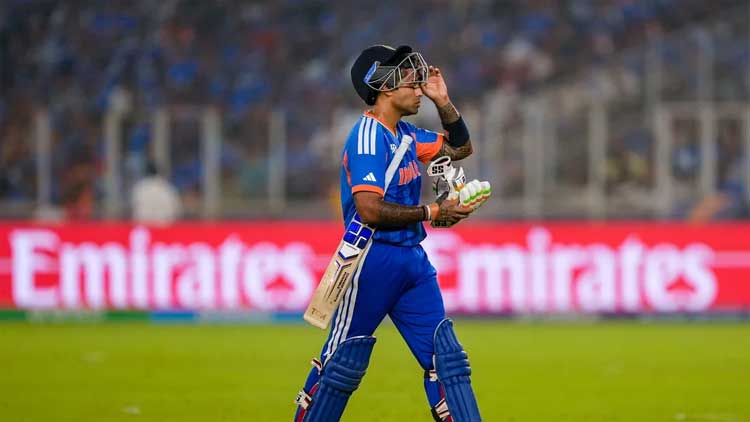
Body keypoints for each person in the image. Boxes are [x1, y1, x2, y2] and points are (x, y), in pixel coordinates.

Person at [293, 45, 482, 422]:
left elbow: (461, 147)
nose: (418, 86)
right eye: (408, 79)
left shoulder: (408, 135)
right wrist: (432, 211)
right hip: (371, 259)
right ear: (382, 85)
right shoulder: (367, 137)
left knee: (448, 361)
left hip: (413, 261)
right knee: (341, 365)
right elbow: (369, 209)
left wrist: (443, 102)